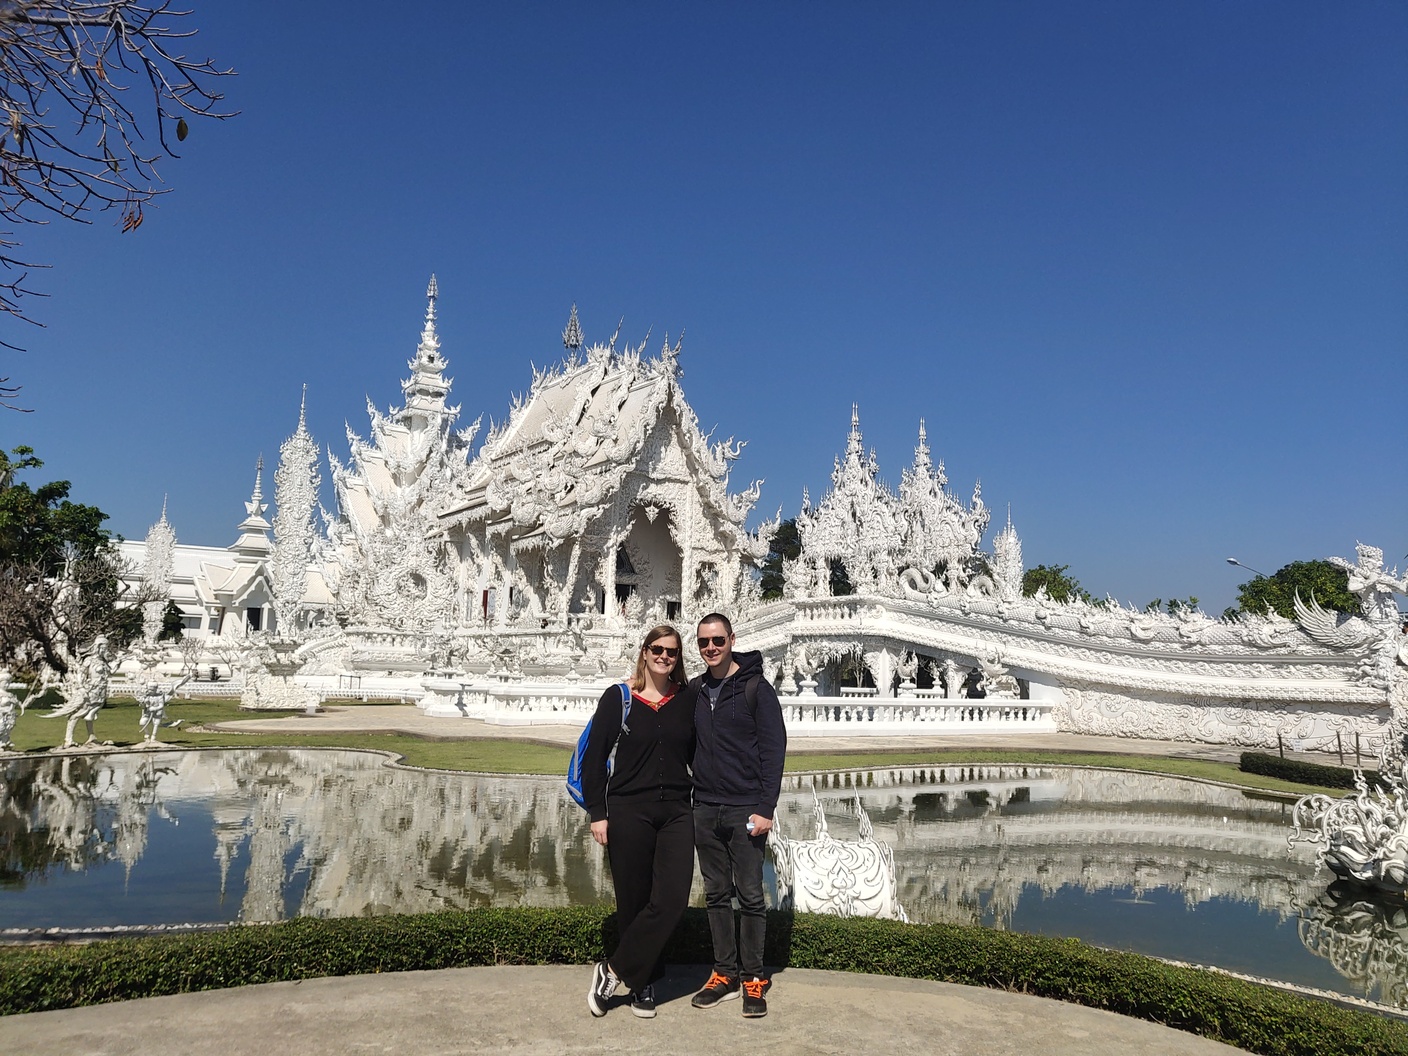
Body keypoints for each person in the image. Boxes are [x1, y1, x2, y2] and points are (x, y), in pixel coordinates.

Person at [583, 624, 694, 1019]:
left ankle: (611, 970)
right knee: (633, 899)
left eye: (673, 652)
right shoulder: (619, 698)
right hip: (629, 808)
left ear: (679, 658)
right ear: (644, 652)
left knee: (672, 898)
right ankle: (643, 984)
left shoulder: (687, 698)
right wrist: (598, 812)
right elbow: (593, 759)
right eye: (658, 649)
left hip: (677, 811)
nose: (665, 657)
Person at [689, 612, 786, 1018]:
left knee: (749, 896)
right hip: (705, 807)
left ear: (731, 639)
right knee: (715, 894)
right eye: (703, 643)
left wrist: (766, 808)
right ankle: (724, 973)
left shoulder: (755, 688)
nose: (711, 648)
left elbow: (773, 749)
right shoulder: (693, 690)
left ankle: (753, 978)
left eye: (717, 640)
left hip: (746, 808)